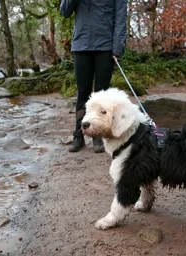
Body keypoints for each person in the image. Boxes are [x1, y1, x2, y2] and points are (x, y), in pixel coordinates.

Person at [60, 0, 128, 153]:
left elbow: (121, 17)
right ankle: (79, 134)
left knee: (101, 94)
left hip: (105, 46)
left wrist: (117, 48)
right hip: (81, 45)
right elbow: (65, 11)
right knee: (82, 93)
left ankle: (97, 134)